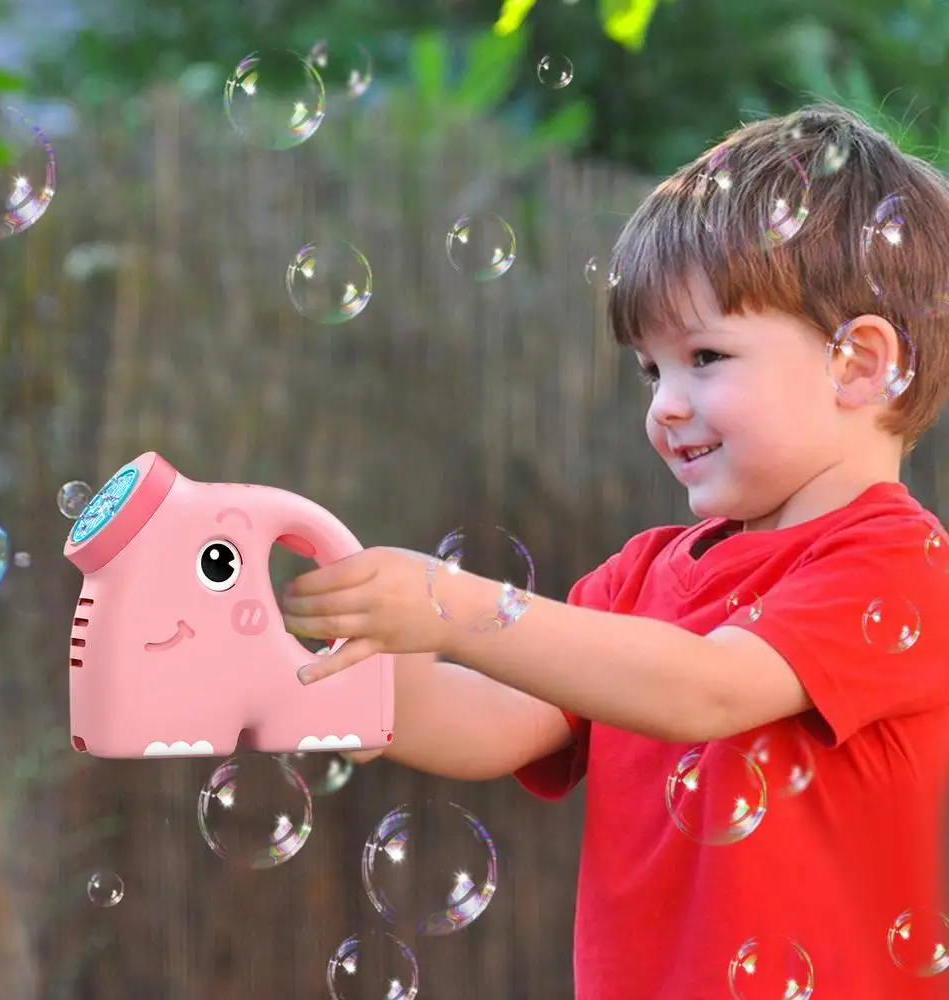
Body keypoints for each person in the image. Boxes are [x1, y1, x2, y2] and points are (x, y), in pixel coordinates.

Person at [281, 102, 949, 999]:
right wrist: (319, 680)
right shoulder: (645, 575)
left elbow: (706, 688)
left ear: (859, 365)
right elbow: (496, 717)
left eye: (705, 356)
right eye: (650, 369)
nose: (664, 405)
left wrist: (449, 602)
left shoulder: (902, 568)